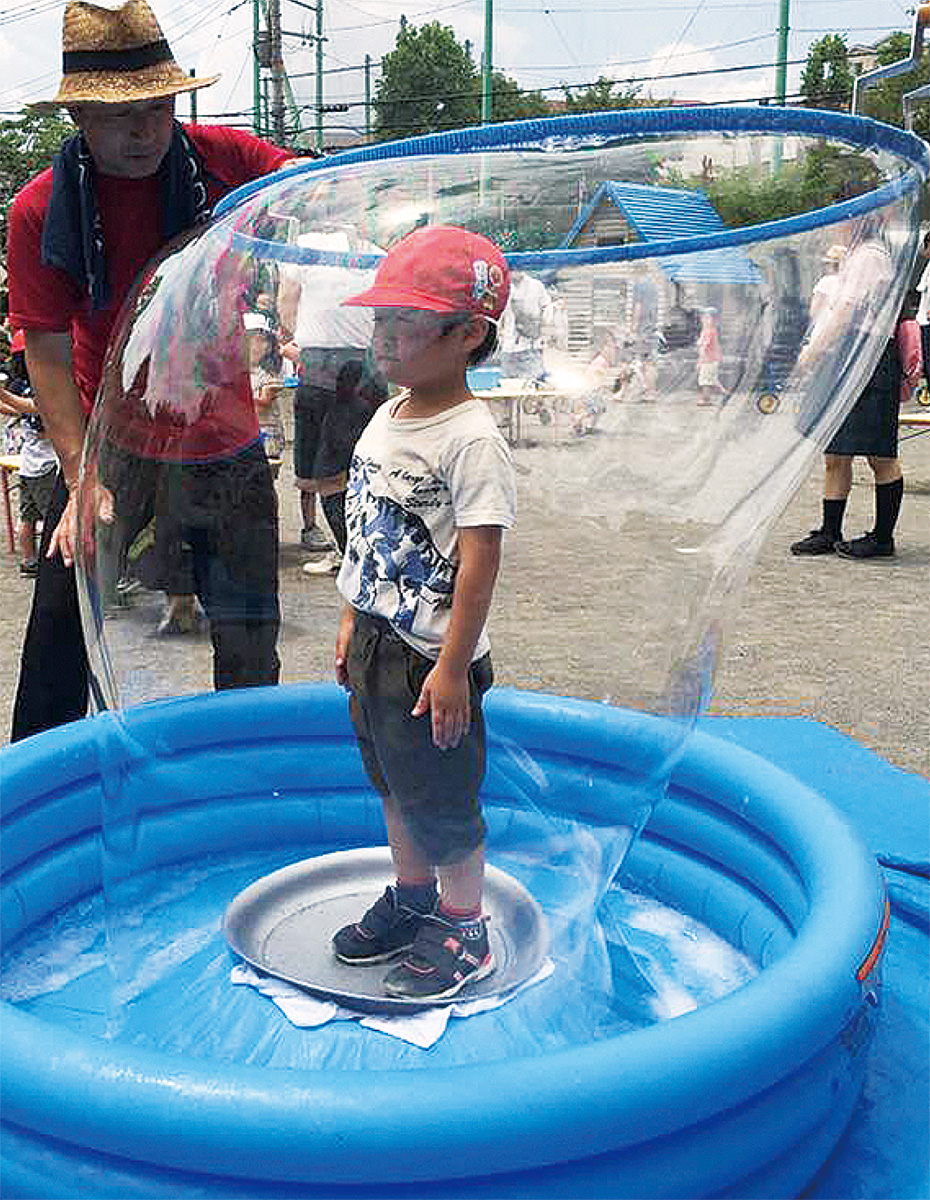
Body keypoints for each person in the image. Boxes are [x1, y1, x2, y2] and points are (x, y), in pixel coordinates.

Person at [6, 0, 296, 741]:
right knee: (62, 626)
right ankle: (33, 792)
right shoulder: (43, 208)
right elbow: (42, 346)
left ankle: (250, 774)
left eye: (159, 107)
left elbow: (303, 189)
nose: (146, 130)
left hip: (223, 433)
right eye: (122, 114)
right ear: (79, 119)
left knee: (248, 631)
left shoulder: (219, 159)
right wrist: (81, 477)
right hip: (114, 431)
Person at [330, 226, 516, 1001]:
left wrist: (450, 669)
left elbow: (480, 561)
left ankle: (465, 923)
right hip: (378, 642)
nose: (383, 339)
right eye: (379, 322)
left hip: (429, 659)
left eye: (403, 323)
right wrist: (350, 615)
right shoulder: (392, 413)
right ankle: (413, 898)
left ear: (468, 333)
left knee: (441, 797)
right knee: (394, 784)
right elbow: (369, 522)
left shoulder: (471, 439)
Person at [791, 231, 913, 559]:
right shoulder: (855, 256)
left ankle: (882, 538)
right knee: (836, 453)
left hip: (870, 358)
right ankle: (830, 530)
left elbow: (846, 311)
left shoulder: (870, 256)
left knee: (880, 455)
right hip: (848, 357)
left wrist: (812, 353)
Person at [278, 226, 387, 574]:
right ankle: (356, 550)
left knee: (327, 474)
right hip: (356, 366)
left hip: (333, 367)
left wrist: (305, 345)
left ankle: (351, 554)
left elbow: (287, 300)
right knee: (354, 469)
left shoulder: (307, 245)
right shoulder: (375, 253)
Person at [1, 331, 58, 577]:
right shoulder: (41, 388)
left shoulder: (20, 387)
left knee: (27, 517)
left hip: (27, 466)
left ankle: (28, 561)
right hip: (45, 467)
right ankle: (52, 564)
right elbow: (41, 414)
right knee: (51, 519)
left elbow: (19, 410)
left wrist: (4, 396)